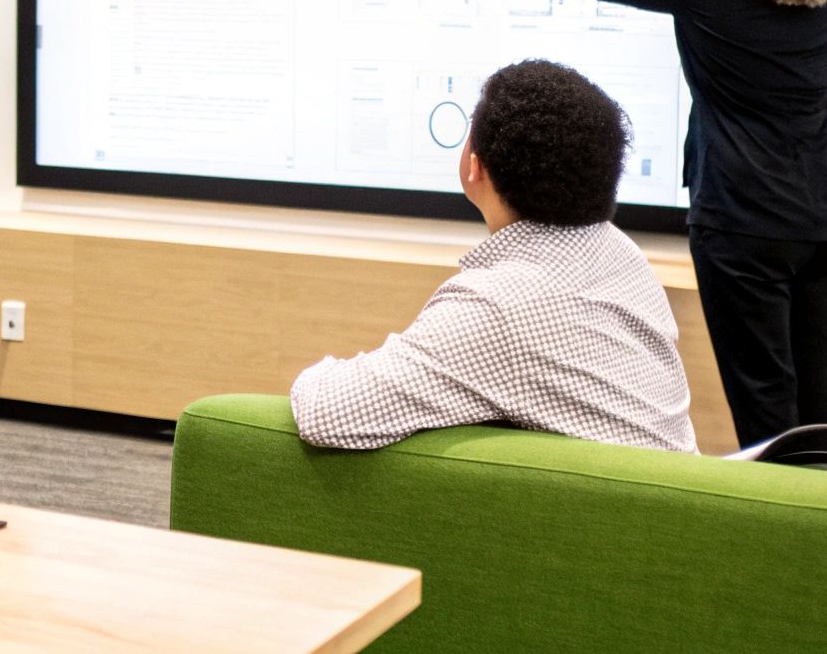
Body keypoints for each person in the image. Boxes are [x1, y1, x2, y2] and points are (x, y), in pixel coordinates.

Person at [452, 0, 827, 454]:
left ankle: (784, 537)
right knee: (811, 402)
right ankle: (824, 527)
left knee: (766, 407)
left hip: (744, 224)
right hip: (826, 227)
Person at [290, 59, 697, 454]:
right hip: (673, 504)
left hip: (605, 519)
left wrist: (317, 371)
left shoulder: (496, 306)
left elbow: (324, 413)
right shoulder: (623, 254)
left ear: (474, 167)